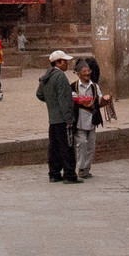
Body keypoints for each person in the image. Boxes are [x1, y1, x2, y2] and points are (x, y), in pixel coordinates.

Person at [36, 49, 79, 184]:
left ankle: (54, 173)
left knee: (54, 148)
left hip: (53, 117)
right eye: (64, 61)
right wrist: (69, 119)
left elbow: (40, 94)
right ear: (58, 62)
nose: (67, 63)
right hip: (62, 118)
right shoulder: (60, 77)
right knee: (67, 147)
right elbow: (64, 100)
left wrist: (51, 101)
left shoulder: (46, 76)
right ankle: (69, 174)